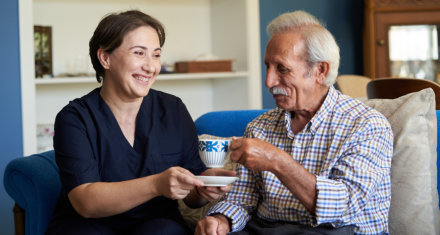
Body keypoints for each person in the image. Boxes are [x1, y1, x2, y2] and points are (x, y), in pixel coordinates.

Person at [195, 10, 393, 235]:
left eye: (282, 68)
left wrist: (277, 161)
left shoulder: (367, 125)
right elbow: (241, 199)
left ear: (320, 70)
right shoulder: (259, 127)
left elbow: (345, 207)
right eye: (267, 66)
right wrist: (221, 220)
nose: (269, 81)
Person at [45, 10, 234, 235]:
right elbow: (85, 202)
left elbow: (192, 195)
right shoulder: (75, 118)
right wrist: (156, 184)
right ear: (105, 58)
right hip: (89, 225)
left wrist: (204, 190)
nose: (151, 67)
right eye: (139, 53)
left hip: (157, 224)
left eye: (156, 55)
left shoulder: (173, 110)